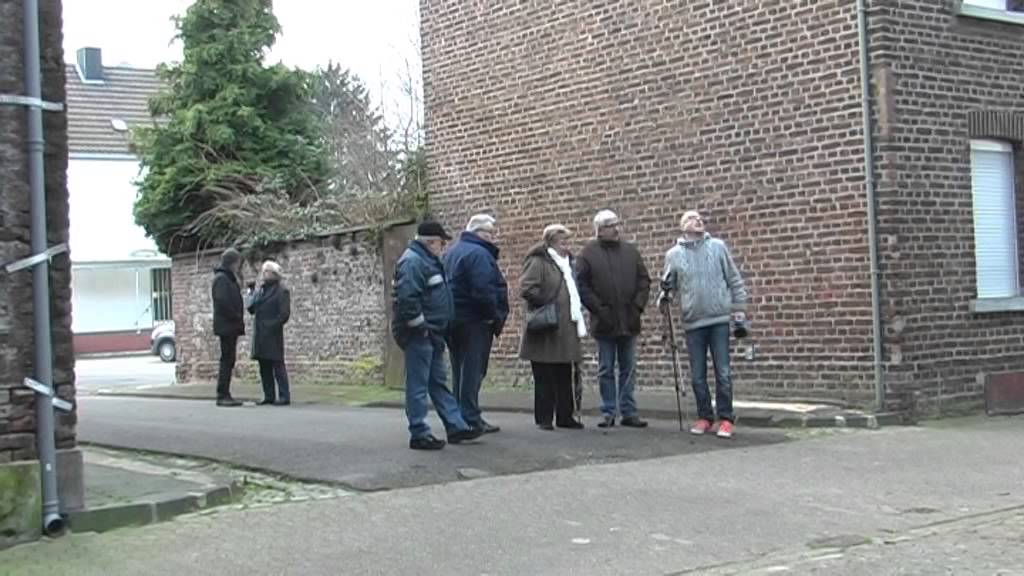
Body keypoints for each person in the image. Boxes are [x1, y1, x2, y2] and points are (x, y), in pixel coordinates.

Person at [391, 221, 484, 450]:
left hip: (431, 333)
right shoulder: (413, 262)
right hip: (420, 334)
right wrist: (420, 327)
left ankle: (456, 426)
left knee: (437, 382)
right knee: (419, 384)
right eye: (441, 243)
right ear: (431, 242)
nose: (443, 247)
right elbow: (407, 300)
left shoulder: (427, 261)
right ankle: (419, 432)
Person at [659, 210, 748, 438]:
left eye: (699, 218)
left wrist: (738, 312)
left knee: (723, 371)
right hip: (693, 321)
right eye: (691, 218)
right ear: (682, 226)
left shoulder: (717, 247)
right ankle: (704, 416)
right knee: (698, 374)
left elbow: (734, 279)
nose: (697, 220)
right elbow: (667, 288)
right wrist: (665, 295)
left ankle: (726, 418)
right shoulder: (674, 255)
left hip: (718, 318)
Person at [575, 210, 651, 428]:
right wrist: (599, 309)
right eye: (611, 225)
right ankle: (608, 410)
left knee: (628, 367)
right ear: (600, 229)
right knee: (606, 368)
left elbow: (644, 281)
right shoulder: (588, 254)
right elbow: (583, 286)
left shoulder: (631, 252)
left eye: (618, 224)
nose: (616, 229)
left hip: (629, 318)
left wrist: (637, 306)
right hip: (604, 320)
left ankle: (629, 411)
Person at [443, 214, 509, 434]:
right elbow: (483, 289)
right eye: (489, 233)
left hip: (454, 319)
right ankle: (470, 416)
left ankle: (459, 416)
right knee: (472, 370)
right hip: (475, 320)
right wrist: (492, 315)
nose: (492, 237)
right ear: (479, 233)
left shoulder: (451, 252)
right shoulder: (479, 254)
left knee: (459, 370)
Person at [519, 224, 586, 431]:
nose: (566, 246)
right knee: (544, 374)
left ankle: (565, 416)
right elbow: (527, 288)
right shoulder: (539, 262)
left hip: (566, 327)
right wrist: (547, 302)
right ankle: (544, 418)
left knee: (564, 373)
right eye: (562, 242)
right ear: (550, 242)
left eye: (567, 241)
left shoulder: (569, 263)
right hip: (545, 326)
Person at [247, 260, 292, 406]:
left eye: (267, 271)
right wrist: (251, 293)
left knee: (277, 365)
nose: (264, 274)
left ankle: (284, 396)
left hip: (272, 333)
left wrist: (272, 326)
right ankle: (268, 395)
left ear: (274, 274)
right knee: (264, 366)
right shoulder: (261, 291)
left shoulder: (282, 290)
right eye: (263, 271)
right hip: (260, 334)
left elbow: (284, 314)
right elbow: (251, 308)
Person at [211, 248, 244, 407]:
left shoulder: (227, 278)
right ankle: (222, 393)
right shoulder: (222, 279)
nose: (239, 266)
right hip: (227, 325)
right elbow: (222, 302)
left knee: (229, 360)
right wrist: (235, 316)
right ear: (233, 263)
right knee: (227, 360)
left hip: (230, 325)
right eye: (238, 263)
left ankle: (225, 392)